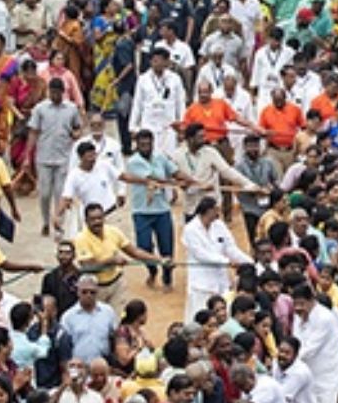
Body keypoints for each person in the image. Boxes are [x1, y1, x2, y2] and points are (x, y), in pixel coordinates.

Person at [70, 203, 165, 306]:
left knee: (119, 314)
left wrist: (160, 260)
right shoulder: (81, 238)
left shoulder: (113, 231)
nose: (97, 222)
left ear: (104, 218)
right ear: (86, 221)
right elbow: (89, 266)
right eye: (93, 219)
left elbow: (135, 252)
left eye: (99, 218)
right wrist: (112, 260)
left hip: (117, 283)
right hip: (95, 288)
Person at [119, 131, 178, 290]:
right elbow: (151, 179)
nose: (146, 147)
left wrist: (190, 181)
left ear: (153, 143)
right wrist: (171, 182)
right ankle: (152, 270)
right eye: (142, 144)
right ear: (137, 145)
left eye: (148, 144)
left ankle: (167, 278)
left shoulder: (160, 158)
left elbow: (175, 171)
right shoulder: (133, 162)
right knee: (143, 247)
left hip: (162, 209)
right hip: (141, 211)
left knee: (167, 247)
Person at [179, 198, 250, 321]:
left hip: (221, 282)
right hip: (201, 284)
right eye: (216, 209)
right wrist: (226, 262)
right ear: (208, 211)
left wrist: (248, 262)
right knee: (200, 319)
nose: (219, 212)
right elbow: (201, 254)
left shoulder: (219, 226)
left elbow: (230, 248)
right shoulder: (190, 229)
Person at [28, 80, 81, 238]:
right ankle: (45, 221)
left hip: (64, 157)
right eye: (52, 92)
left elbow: (78, 128)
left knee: (60, 193)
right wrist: (27, 156)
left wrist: (76, 134)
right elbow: (33, 131)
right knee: (44, 193)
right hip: (44, 157)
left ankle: (59, 224)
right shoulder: (40, 109)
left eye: (57, 93)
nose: (55, 95)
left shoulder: (71, 109)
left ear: (63, 92)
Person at [55, 282, 117, 365]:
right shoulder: (68, 316)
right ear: (78, 292)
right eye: (84, 292)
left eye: (92, 292)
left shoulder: (108, 312)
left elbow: (114, 337)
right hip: (78, 366)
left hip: (102, 366)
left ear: (97, 292)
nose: (88, 295)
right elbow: (63, 346)